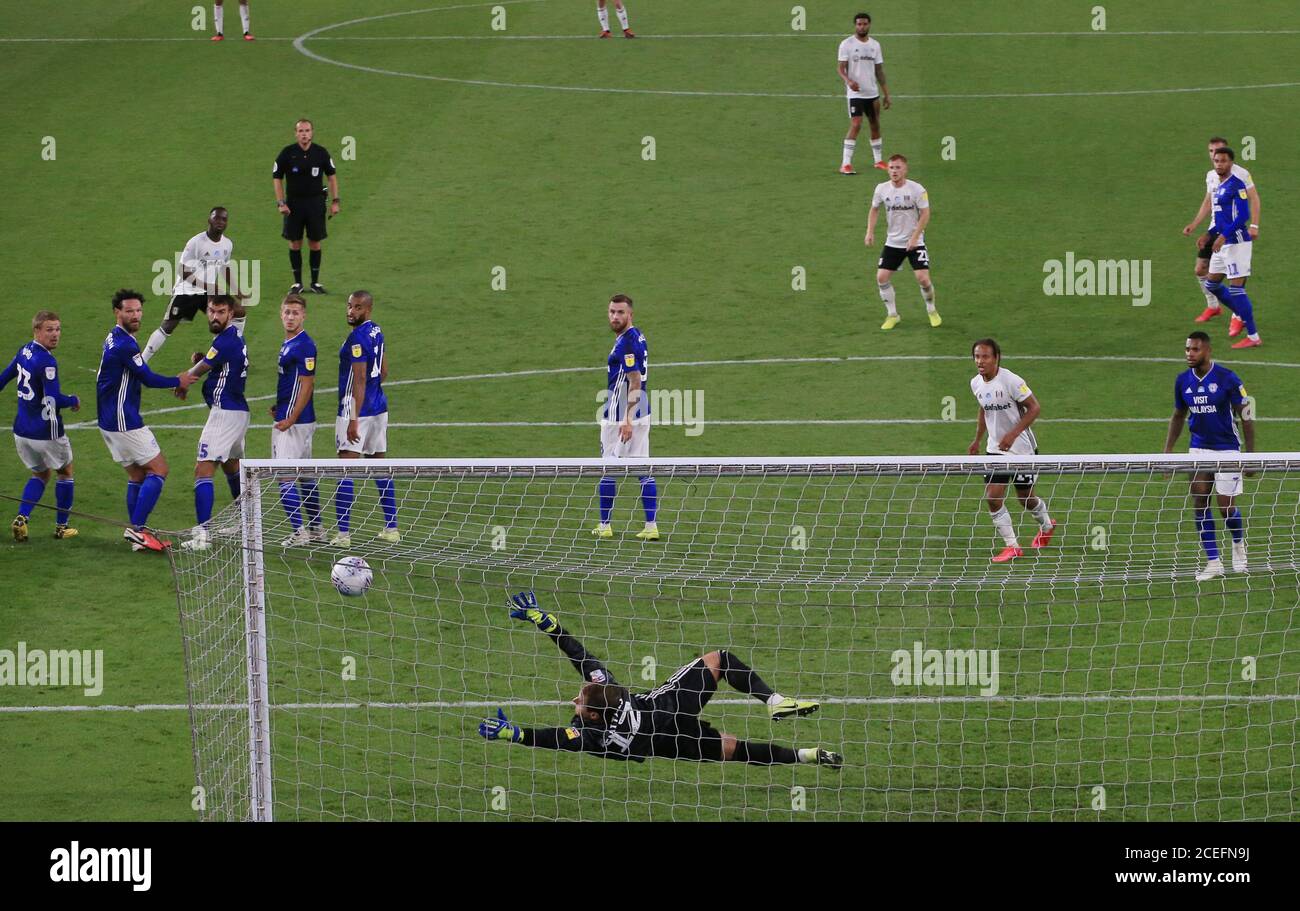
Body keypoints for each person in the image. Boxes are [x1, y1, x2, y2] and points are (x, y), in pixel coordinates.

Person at [477, 591, 843, 768]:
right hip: (669, 708)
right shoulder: (609, 694)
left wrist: (515, 734)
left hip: (664, 744)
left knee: (735, 751)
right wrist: (546, 621)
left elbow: (557, 739)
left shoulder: (594, 734)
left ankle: (807, 756)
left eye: (579, 700)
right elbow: (580, 656)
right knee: (721, 660)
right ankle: (775, 703)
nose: (575, 699)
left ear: (590, 715)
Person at [96, 290, 197, 552]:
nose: (135, 315)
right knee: (159, 469)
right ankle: (136, 530)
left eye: (138, 310)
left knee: (138, 474)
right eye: (129, 311)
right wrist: (179, 380)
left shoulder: (114, 337)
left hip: (109, 419)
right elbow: (148, 378)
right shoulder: (125, 345)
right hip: (123, 420)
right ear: (117, 312)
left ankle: (138, 535)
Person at [1163, 331, 1254, 581]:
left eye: (1195, 349)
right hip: (1199, 448)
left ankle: (1238, 543)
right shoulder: (1183, 381)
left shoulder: (1227, 378)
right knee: (1200, 502)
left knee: (1226, 508)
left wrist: (1251, 455)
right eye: (1187, 349)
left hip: (1227, 449)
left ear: (1207, 351)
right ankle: (1213, 561)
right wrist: (1168, 452)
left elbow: (1246, 414)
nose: (1189, 354)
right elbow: (1179, 415)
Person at [968, 338, 1056, 563]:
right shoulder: (976, 383)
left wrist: (1012, 434)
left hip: (1021, 451)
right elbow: (983, 410)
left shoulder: (1012, 381)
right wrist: (977, 440)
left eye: (985, 356)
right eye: (977, 356)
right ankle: (1012, 546)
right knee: (992, 497)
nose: (980, 361)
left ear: (996, 358)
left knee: (1025, 499)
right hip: (995, 450)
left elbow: (1034, 408)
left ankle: (1046, 525)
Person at [0, 311, 80, 541]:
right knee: (65, 472)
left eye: (58, 329)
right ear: (37, 330)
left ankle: (22, 517)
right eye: (49, 330)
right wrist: (73, 400)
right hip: (46, 432)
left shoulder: (24, 350)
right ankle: (62, 527)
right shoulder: (47, 361)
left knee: (40, 474)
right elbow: (53, 398)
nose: (55, 335)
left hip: (22, 432)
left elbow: (4, 377)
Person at [179, 295, 250, 552]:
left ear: (230, 314)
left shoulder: (225, 340)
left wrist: (182, 382)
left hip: (225, 414)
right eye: (211, 311)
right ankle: (246, 522)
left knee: (203, 469)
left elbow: (199, 371)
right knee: (232, 467)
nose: (214, 316)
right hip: (237, 412)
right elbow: (214, 362)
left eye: (221, 311)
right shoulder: (229, 338)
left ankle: (202, 535)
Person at [332, 290, 397, 547]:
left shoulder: (357, 338)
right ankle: (391, 528)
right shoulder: (376, 330)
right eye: (349, 306)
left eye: (357, 308)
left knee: (345, 469)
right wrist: (372, 392)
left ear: (367, 310)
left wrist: (354, 418)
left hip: (355, 409)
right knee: (380, 467)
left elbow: (359, 378)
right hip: (379, 405)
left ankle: (343, 535)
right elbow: (383, 371)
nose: (351, 312)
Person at [593, 294, 657, 541]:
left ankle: (605, 525)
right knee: (644, 468)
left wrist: (627, 419)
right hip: (641, 413)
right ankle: (651, 527)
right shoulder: (637, 335)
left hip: (621, 416)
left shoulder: (626, 344)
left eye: (620, 312)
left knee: (607, 468)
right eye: (611, 312)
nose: (615, 317)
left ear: (630, 314)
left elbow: (635, 380)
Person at [142, 207, 243, 363]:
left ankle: (234, 353)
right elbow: (182, 271)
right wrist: (207, 286)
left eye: (224, 219)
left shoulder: (227, 244)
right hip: (187, 290)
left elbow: (224, 267)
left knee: (237, 312)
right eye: (216, 218)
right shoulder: (196, 242)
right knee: (168, 326)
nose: (220, 222)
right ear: (209, 220)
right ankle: (142, 361)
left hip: (207, 292)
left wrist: (237, 290)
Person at [1185, 136, 1259, 329]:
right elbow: (1208, 201)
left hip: (1233, 233)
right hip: (1215, 229)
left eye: (1218, 153)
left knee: (1236, 279)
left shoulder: (1241, 175)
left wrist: (1254, 225)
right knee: (1201, 269)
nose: (1214, 156)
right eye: (1211, 152)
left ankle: (1239, 317)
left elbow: (1254, 199)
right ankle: (1213, 306)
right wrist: (1195, 224)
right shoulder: (1211, 175)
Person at [271, 293, 325, 546]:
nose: (290, 317)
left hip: (295, 422)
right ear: (281, 314)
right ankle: (316, 529)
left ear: (303, 316)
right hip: (295, 417)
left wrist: (290, 417)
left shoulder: (305, 345)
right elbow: (290, 383)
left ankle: (299, 531)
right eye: (287, 312)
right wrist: (279, 406)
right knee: (304, 475)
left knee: (285, 476)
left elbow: (307, 384)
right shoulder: (289, 342)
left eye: (295, 313)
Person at [866, 154, 939, 330]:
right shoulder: (881, 189)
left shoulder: (917, 189)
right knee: (881, 277)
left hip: (915, 242)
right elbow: (874, 209)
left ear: (905, 170)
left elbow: (926, 214)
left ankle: (931, 310)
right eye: (891, 168)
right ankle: (892, 315)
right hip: (893, 242)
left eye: (898, 168)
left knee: (923, 278)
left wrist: (914, 237)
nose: (894, 171)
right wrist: (870, 231)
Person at [1200, 148, 1260, 349]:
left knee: (1236, 289)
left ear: (1231, 163)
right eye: (1216, 161)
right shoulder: (1219, 187)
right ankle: (1243, 314)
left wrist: (1223, 236)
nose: (1219, 164)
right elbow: (1221, 219)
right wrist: (1209, 235)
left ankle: (1253, 336)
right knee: (1212, 284)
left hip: (1237, 243)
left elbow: (1243, 216)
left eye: (1223, 161)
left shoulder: (1237, 185)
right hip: (1223, 244)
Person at [273, 119, 340, 294]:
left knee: (315, 242)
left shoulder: (320, 153)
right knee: (295, 242)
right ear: (296, 133)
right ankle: (297, 283)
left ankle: (315, 283)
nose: (304, 134)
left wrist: (335, 201)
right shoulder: (287, 153)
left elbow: (332, 177)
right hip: (293, 204)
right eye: (301, 130)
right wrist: (281, 202)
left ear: (312, 132)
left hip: (315, 203)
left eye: (307, 130)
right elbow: (277, 178)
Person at [837, 12, 890, 175]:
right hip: (855, 94)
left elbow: (879, 70)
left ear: (869, 25)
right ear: (855, 25)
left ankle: (878, 161)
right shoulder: (847, 44)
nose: (862, 26)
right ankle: (845, 164)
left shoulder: (875, 45)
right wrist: (848, 81)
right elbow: (840, 68)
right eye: (859, 24)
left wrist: (886, 93)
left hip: (872, 93)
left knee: (875, 124)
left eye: (865, 24)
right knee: (856, 124)